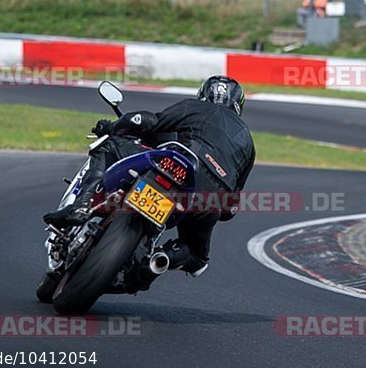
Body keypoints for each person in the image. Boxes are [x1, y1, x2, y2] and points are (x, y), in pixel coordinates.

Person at [43, 75, 256, 277]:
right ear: (239, 104)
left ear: (203, 94)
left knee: (109, 144)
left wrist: (112, 127)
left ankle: (81, 206)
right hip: (211, 198)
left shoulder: (195, 107)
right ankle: (158, 260)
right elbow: (230, 209)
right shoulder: (248, 141)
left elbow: (146, 121)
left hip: (180, 163)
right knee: (197, 257)